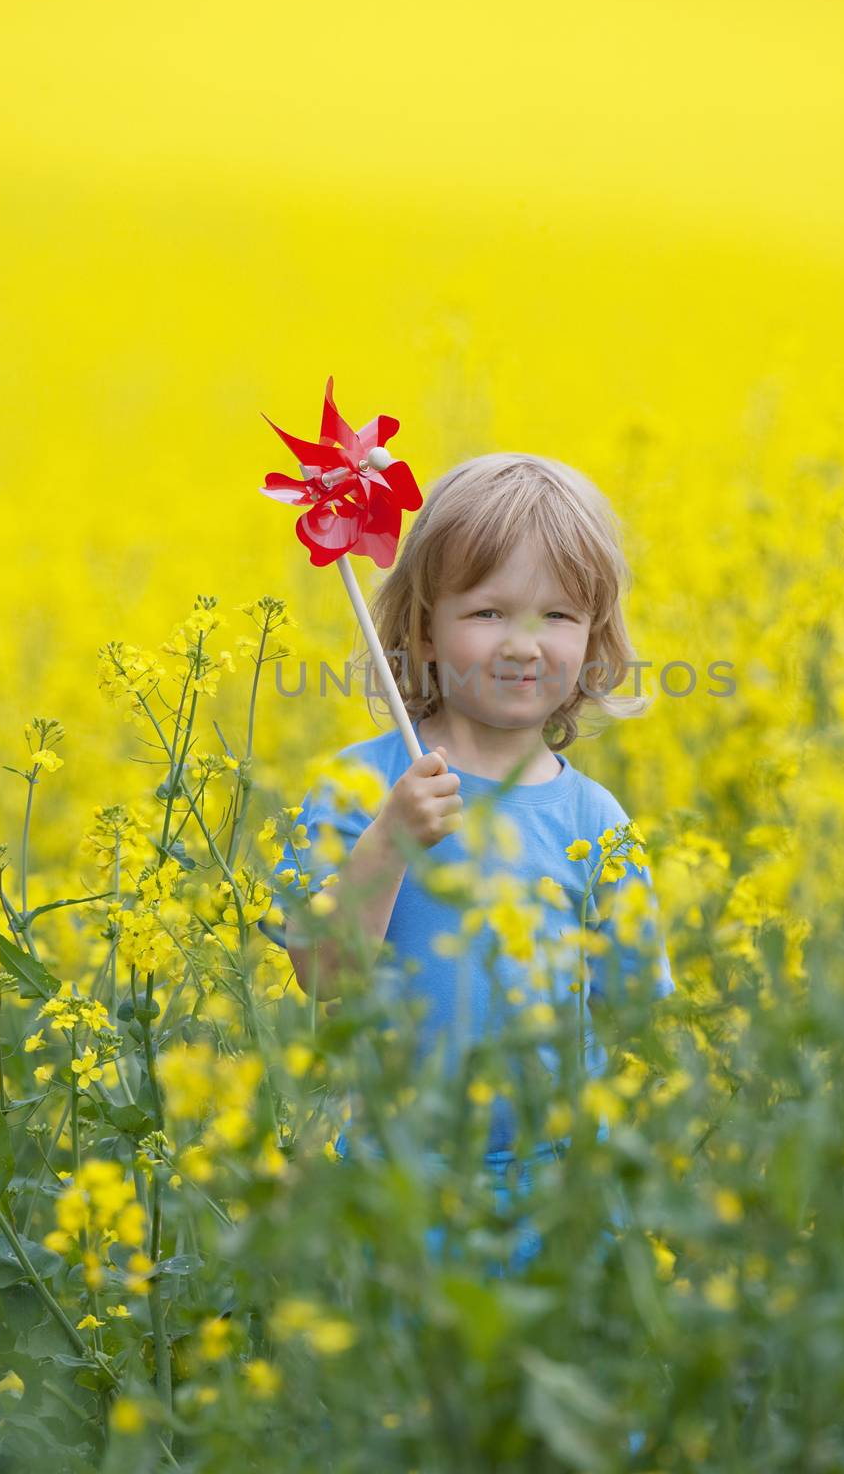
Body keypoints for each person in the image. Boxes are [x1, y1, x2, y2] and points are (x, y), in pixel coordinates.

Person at [260, 451, 675, 1276]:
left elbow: (637, 1021)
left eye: (558, 616)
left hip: (559, 1191)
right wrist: (391, 841)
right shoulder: (363, 786)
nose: (524, 645)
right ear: (421, 629)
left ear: (594, 637)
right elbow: (322, 971)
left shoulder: (594, 819)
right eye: (487, 613)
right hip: (392, 1181)